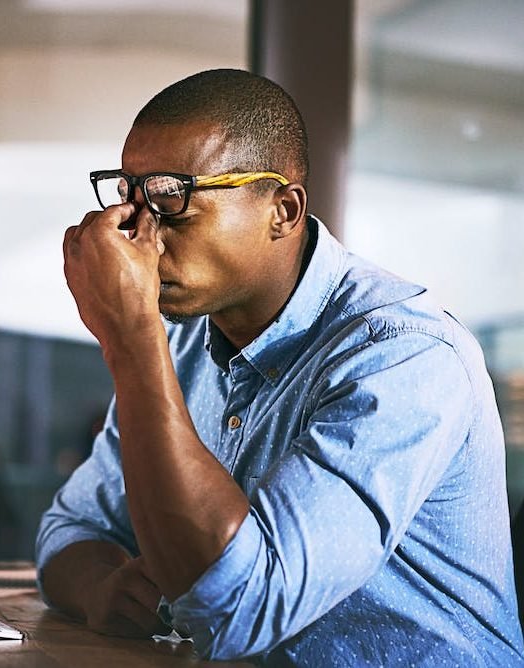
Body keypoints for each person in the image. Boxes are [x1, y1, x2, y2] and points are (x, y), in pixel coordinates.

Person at [34, 68, 524, 665]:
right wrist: (102, 589)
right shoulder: (187, 345)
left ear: (283, 211)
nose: (140, 238)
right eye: (131, 200)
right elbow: (71, 527)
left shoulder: (403, 355)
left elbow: (238, 606)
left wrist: (130, 337)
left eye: (172, 202)